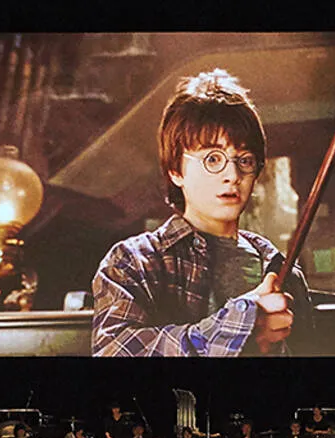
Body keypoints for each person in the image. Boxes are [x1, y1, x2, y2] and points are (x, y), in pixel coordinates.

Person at [91, 68, 313, 357]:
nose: (232, 175)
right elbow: (115, 353)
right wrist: (242, 320)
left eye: (245, 160)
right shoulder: (134, 262)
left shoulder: (281, 270)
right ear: (175, 170)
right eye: (213, 159)